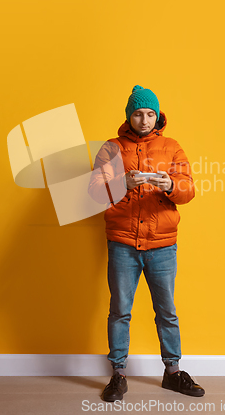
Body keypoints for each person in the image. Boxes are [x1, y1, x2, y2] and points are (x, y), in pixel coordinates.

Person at [88, 85, 205, 401]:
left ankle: (173, 372)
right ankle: (118, 374)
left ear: (158, 116)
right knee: (120, 310)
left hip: (163, 244)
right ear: (129, 116)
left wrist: (170, 184)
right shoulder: (111, 149)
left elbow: (188, 190)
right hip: (123, 243)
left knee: (166, 310)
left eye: (150, 113)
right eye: (138, 113)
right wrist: (122, 183)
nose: (144, 119)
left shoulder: (172, 147)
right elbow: (95, 192)